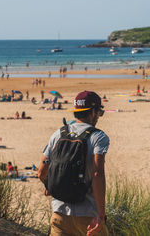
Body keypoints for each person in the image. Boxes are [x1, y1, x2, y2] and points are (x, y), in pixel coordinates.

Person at [38, 91, 109, 236]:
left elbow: (41, 171)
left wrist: (49, 185)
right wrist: (101, 214)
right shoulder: (98, 137)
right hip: (88, 215)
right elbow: (97, 174)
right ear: (93, 112)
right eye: (99, 112)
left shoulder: (59, 133)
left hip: (59, 214)